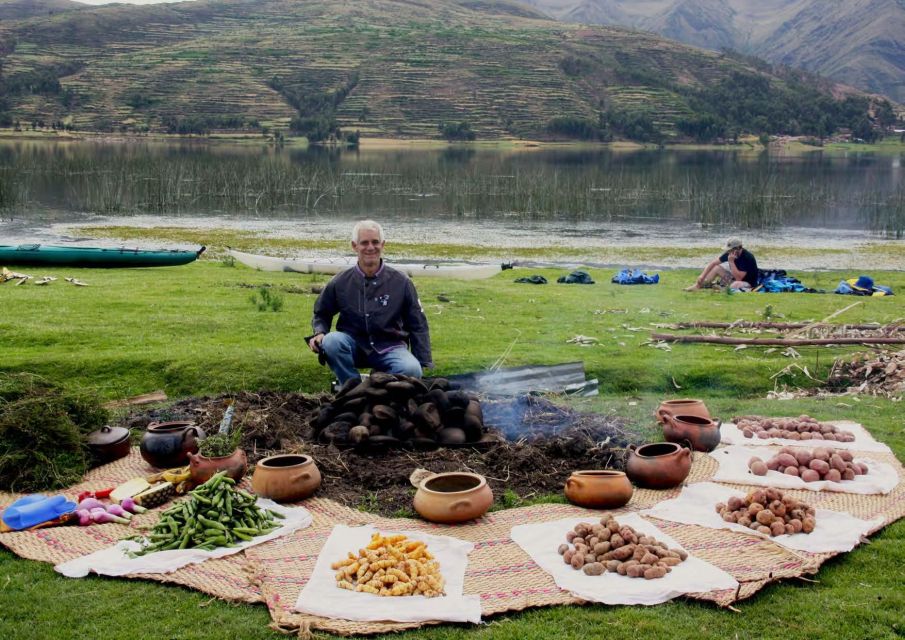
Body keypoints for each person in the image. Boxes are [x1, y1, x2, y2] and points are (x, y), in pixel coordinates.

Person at [308, 220, 433, 384]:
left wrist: (422, 361)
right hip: (353, 345)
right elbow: (321, 313)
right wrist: (319, 332)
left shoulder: (402, 282)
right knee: (331, 341)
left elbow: (418, 323)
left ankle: (381, 389)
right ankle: (351, 387)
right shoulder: (340, 282)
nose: (370, 247)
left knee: (411, 369)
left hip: (391, 347)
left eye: (375, 242)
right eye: (364, 243)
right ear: (354, 246)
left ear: (383, 244)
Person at [684, 238, 758, 292]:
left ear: (738, 248)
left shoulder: (747, 257)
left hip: (747, 282)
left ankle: (721, 289)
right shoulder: (730, 253)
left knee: (735, 284)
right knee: (716, 268)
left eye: (730, 250)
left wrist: (731, 262)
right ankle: (698, 286)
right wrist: (702, 276)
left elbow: (739, 278)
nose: (729, 252)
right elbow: (713, 263)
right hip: (733, 279)